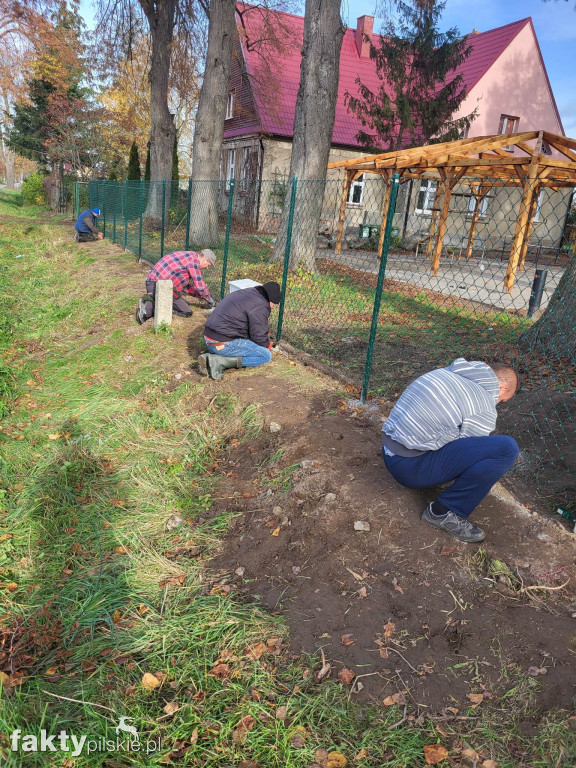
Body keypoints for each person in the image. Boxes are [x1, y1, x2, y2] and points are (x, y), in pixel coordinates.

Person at [381, 358, 519, 543]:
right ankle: (442, 512)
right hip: (408, 469)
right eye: (502, 400)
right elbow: (468, 452)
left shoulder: (447, 373)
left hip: (389, 449)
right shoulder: (483, 403)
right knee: (506, 448)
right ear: (502, 387)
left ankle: (436, 480)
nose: (498, 403)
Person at [198, 281, 281, 380]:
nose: (272, 306)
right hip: (221, 344)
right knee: (265, 355)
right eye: (273, 304)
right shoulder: (261, 305)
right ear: (270, 299)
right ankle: (218, 361)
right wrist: (267, 345)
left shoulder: (249, 292)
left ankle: (216, 356)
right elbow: (258, 336)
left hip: (209, 338)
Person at [136, 249, 217, 324]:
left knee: (179, 301)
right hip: (159, 286)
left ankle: (148, 305)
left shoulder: (189, 256)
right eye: (208, 264)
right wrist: (208, 298)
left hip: (153, 283)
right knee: (187, 312)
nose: (207, 267)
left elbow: (184, 287)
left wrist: (200, 295)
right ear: (205, 259)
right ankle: (147, 308)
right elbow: (200, 285)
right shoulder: (194, 261)